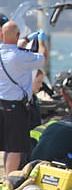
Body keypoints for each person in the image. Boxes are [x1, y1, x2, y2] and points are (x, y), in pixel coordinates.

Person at [0, 21, 47, 175]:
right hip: (15, 107)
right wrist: (41, 40)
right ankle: (9, 180)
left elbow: (16, 46)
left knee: (6, 144)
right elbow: (42, 57)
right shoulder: (20, 57)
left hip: (1, 103)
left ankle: (5, 176)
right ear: (17, 35)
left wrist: (26, 39)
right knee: (16, 147)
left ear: (1, 35)